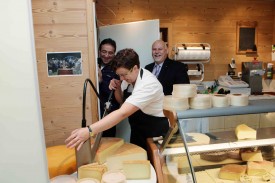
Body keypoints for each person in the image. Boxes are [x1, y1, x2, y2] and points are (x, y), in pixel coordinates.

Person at [65, 48, 169, 150]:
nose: (122, 78)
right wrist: (118, 87)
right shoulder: (129, 77)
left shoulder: (148, 84)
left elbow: (122, 113)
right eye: (119, 75)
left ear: (135, 67)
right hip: (138, 129)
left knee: (154, 163)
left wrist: (89, 131)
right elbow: (121, 101)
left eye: (124, 75)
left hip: (155, 131)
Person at [98, 38, 120, 137]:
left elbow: (115, 95)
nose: (106, 55)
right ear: (99, 51)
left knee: (108, 145)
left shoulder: (117, 70)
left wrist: (101, 81)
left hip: (108, 115)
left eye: (110, 53)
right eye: (104, 52)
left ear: (114, 54)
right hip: (92, 113)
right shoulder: (93, 63)